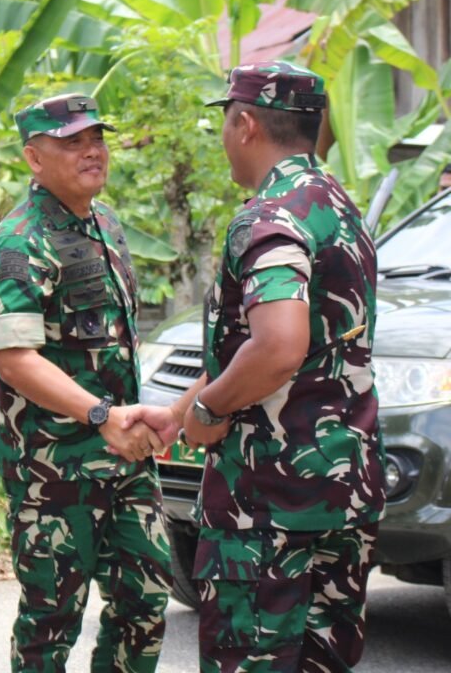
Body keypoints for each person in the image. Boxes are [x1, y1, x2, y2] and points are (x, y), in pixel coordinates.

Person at [132, 61, 386, 672]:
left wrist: (210, 408)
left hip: (269, 503)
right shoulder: (340, 208)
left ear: (244, 123)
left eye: (224, 121)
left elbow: (277, 345)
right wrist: (176, 413)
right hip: (343, 488)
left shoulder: (270, 217)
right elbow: (262, 346)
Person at [0, 93, 172, 673]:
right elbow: (15, 359)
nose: (92, 151)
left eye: (96, 139)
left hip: (125, 456)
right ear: (34, 159)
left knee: (145, 602)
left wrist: (123, 423)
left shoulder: (105, 224)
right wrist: (100, 416)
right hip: (54, 468)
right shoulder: (17, 241)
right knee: (51, 617)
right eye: (72, 143)